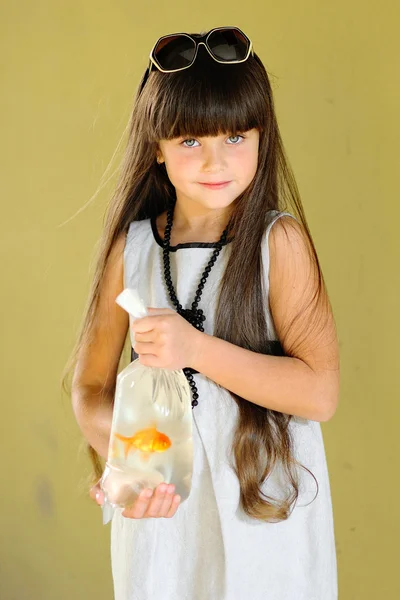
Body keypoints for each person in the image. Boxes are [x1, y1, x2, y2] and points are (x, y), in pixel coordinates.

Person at [63, 26, 340, 600]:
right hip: (165, 518)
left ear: (262, 136)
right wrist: (128, 462)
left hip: (265, 512)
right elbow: (89, 387)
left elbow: (320, 393)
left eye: (236, 136)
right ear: (156, 145)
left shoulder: (277, 244)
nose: (215, 160)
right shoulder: (132, 250)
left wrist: (195, 349)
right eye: (190, 141)